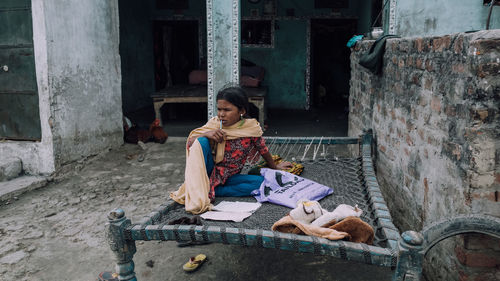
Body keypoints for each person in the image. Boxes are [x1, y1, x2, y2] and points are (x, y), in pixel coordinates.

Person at [170, 86, 292, 214]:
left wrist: (274, 167)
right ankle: (207, 185)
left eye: (227, 110)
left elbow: (263, 150)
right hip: (210, 171)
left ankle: (212, 190)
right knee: (201, 142)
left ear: (242, 111)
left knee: (262, 183)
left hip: (230, 175)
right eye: (219, 109)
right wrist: (206, 134)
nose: (221, 114)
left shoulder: (251, 128)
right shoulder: (214, 124)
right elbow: (190, 143)